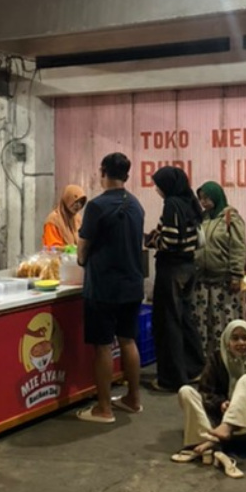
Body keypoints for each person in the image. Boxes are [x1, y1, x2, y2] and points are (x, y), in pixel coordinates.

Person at [76, 152, 145, 423]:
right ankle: (133, 399)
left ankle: (104, 409)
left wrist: (81, 260)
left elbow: (83, 246)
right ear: (126, 174)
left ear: (102, 171)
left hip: (104, 287)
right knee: (128, 340)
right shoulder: (136, 204)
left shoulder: (97, 206)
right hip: (132, 284)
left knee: (103, 346)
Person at [173, 319, 246, 477]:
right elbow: (205, 392)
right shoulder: (217, 359)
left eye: (245, 338)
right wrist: (221, 404)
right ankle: (213, 441)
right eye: (235, 338)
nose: (241, 343)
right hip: (217, 422)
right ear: (227, 342)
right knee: (185, 391)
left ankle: (216, 436)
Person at [146, 166, 204, 392]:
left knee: (168, 322)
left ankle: (172, 378)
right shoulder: (188, 202)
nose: (156, 189)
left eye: (158, 185)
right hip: (188, 266)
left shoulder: (171, 204)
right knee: (185, 319)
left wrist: (152, 240)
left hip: (171, 269)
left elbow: (169, 241)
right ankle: (194, 368)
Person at [194, 181, 246, 353]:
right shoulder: (203, 218)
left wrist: (236, 275)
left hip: (223, 282)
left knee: (224, 320)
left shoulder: (230, 218)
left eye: (207, 198)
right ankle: (207, 358)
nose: (203, 202)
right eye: (201, 199)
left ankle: (227, 356)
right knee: (204, 321)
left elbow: (238, 247)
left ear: (216, 197)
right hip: (203, 282)